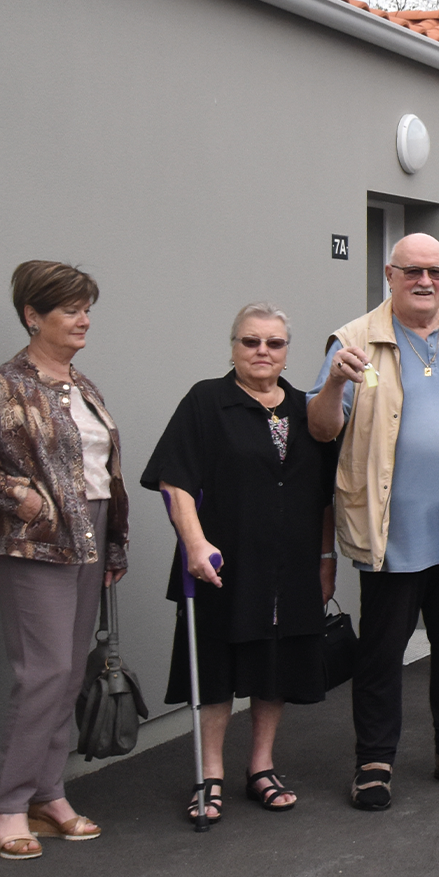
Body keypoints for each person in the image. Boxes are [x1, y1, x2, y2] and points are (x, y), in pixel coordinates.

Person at [307, 233, 439, 810]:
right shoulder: (351, 340)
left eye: (436, 272)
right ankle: (374, 761)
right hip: (391, 530)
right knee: (381, 653)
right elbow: (322, 429)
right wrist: (333, 383)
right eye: (413, 272)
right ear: (389, 275)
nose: (425, 282)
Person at [0, 261, 127, 859]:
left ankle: (47, 793)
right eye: (69, 309)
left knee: (66, 673)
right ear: (32, 316)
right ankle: (6, 807)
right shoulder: (4, 387)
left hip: (88, 537)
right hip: (34, 543)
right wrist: (13, 494)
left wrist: (114, 541)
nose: (83, 319)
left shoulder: (84, 385)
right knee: (40, 673)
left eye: (87, 308)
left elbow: (102, 474)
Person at [143, 303, 339, 820]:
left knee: (273, 665)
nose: (262, 352)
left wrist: (325, 558)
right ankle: (210, 774)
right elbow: (174, 479)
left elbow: (323, 495)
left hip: (290, 562)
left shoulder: (305, 407)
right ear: (233, 346)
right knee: (217, 667)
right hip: (223, 560)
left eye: (274, 344)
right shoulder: (207, 400)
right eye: (251, 342)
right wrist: (193, 543)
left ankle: (261, 766)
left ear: (286, 352)